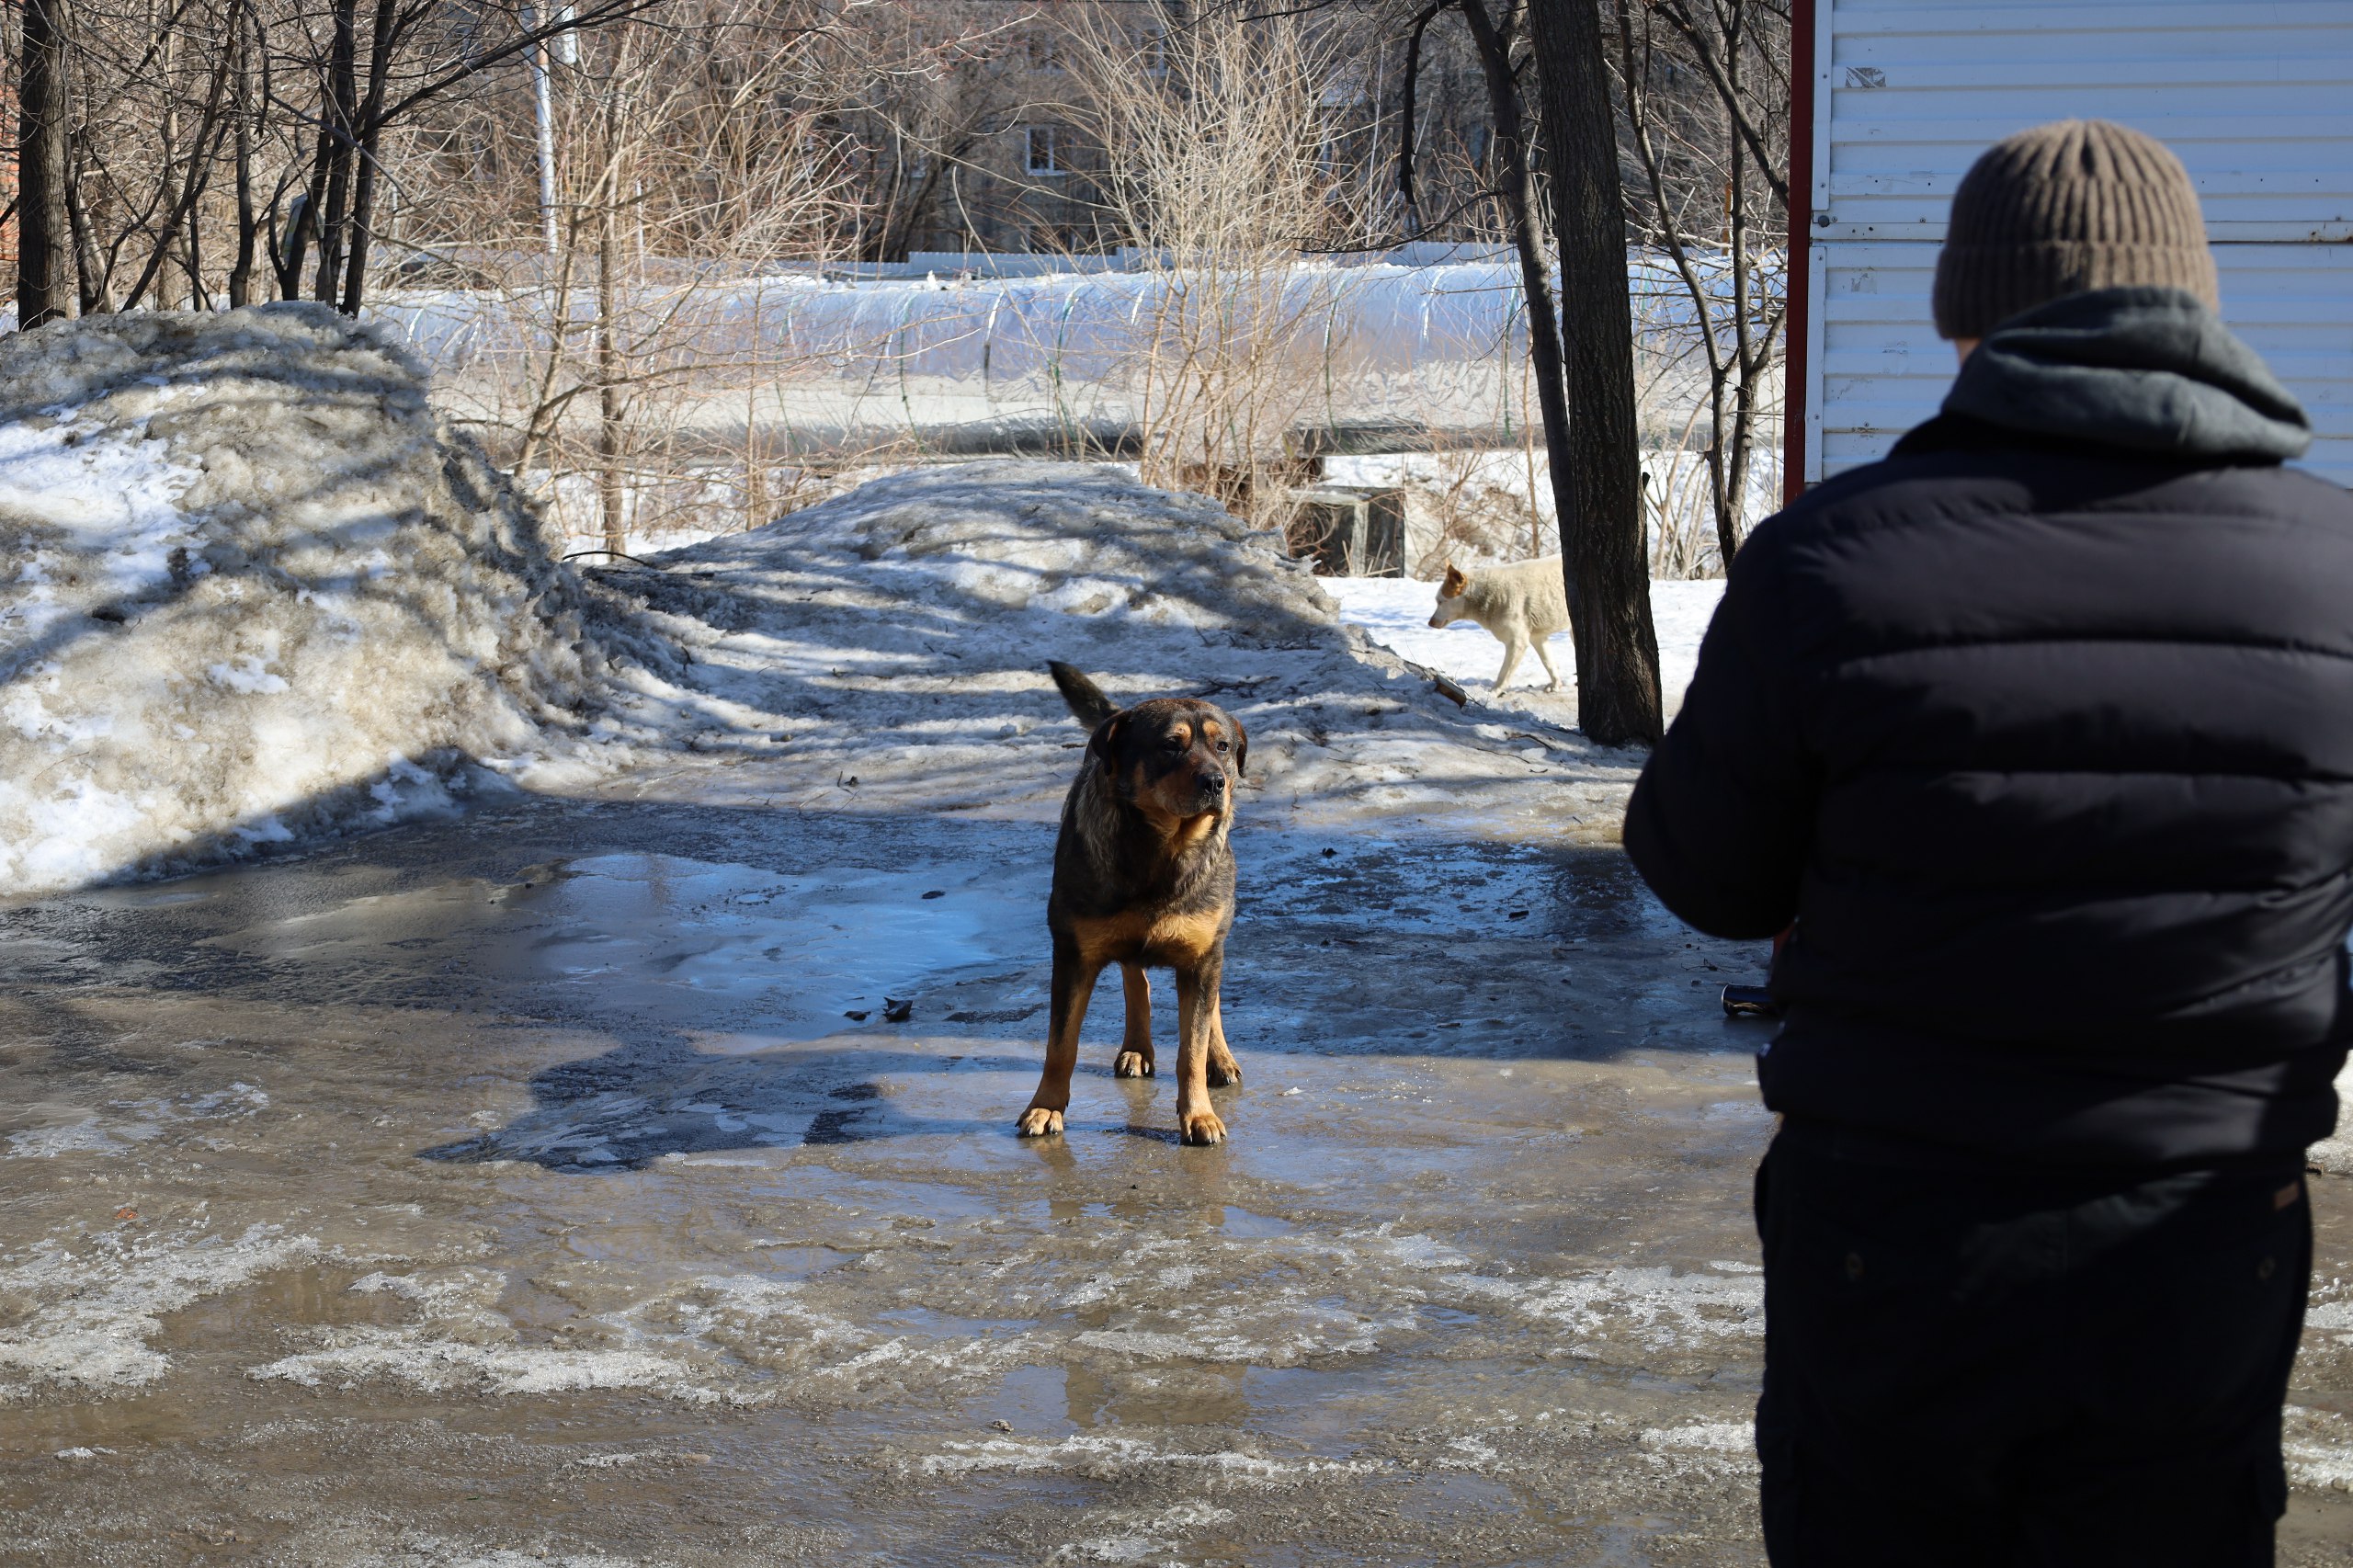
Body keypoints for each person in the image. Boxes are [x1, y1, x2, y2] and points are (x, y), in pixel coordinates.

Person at [1624, 119, 2349, 1565]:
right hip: (2202, 1238)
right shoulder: (2335, 573)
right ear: (2195, 307)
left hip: (1890, 1233)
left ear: (1965, 314)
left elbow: (1705, 871)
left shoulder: (1829, 560)